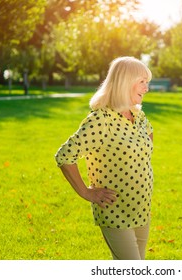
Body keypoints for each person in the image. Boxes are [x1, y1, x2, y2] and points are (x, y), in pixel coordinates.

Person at [55, 56, 154, 260]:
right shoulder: (101, 120)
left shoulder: (139, 116)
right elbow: (65, 156)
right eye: (142, 82)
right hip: (115, 212)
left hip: (142, 208)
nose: (146, 88)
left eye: (147, 82)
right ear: (125, 81)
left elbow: (149, 139)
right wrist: (86, 193)